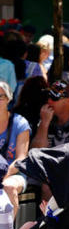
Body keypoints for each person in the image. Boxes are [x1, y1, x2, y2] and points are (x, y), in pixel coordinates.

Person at [0, 81, 32, 221]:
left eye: (0, 96)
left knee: (8, 187)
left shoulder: (19, 123)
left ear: (8, 99)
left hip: (14, 173)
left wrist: (4, 174)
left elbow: (21, 159)